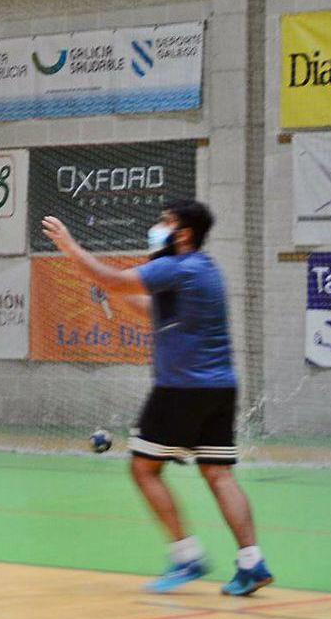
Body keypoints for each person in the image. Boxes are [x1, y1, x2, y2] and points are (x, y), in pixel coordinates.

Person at [41, 199, 274, 596]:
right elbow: (149, 311)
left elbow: (111, 277)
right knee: (218, 473)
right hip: (220, 388)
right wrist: (110, 290)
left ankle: (186, 556)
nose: (158, 227)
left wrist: (69, 247)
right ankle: (252, 562)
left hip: (181, 389)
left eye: (165, 222)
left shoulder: (176, 266)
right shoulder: (205, 270)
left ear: (183, 233)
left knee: (144, 469)